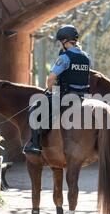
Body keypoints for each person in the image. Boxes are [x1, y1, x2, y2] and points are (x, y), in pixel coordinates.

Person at [23, 25, 93, 155]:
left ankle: (36, 144)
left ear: (64, 41)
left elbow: (51, 78)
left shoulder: (64, 57)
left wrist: (50, 90)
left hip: (66, 95)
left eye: (61, 41)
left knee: (35, 109)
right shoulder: (87, 57)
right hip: (85, 96)